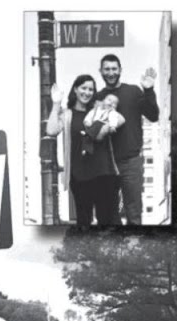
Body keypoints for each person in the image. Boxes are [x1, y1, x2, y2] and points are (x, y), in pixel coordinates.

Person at [46, 75, 120, 226]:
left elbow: (118, 118)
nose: (87, 92)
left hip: (103, 174)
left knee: (107, 222)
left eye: (91, 89)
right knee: (84, 222)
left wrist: (108, 127)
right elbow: (51, 130)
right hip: (80, 176)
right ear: (75, 89)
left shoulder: (99, 110)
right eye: (83, 88)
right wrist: (56, 103)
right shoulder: (67, 114)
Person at [98, 54, 160, 226]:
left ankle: (133, 251)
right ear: (101, 72)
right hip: (106, 164)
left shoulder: (133, 91)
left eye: (114, 69)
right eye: (107, 69)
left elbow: (153, 116)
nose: (111, 73)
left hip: (131, 162)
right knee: (109, 214)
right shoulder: (97, 97)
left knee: (134, 213)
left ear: (120, 70)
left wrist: (148, 90)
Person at [81, 92, 124, 158]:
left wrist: (112, 126)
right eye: (109, 100)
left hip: (102, 124)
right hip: (93, 126)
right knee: (88, 139)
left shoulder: (112, 112)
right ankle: (86, 150)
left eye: (114, 103)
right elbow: (90, 114)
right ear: (103, 100)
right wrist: (87, 121)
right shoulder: (96, 109)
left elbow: (113, 119)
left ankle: (87, 134)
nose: (111, 103)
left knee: (96, 125)